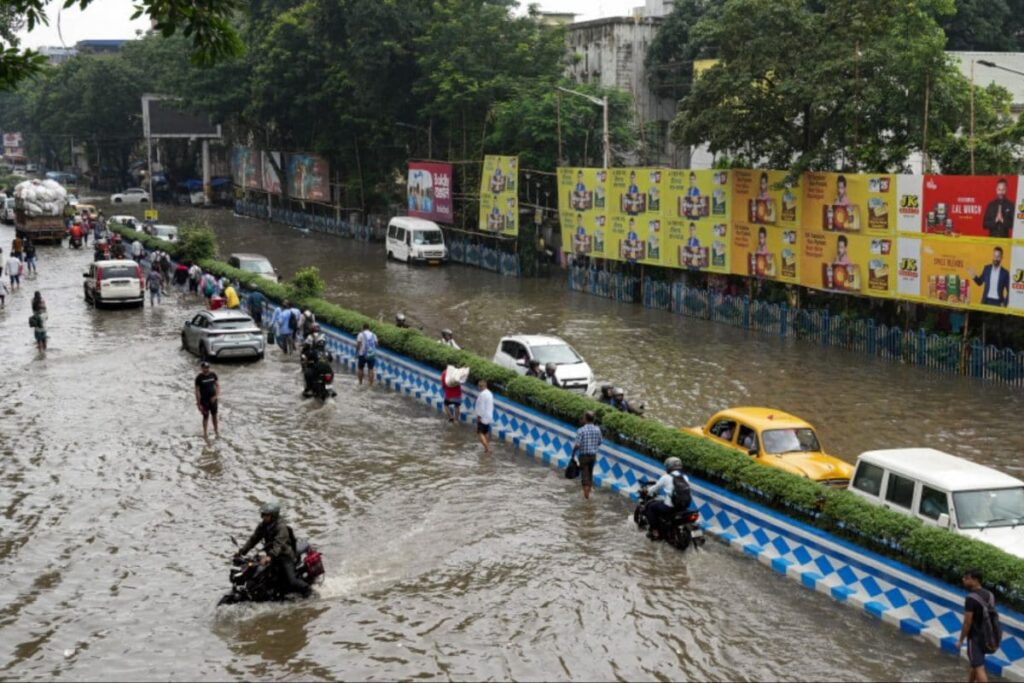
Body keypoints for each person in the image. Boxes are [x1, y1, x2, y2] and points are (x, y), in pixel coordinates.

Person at [236, 502, 311, 599]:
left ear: (273, 516)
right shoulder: (263, 525)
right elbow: (253, 539)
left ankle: (309, 592)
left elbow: (278, 545)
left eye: (266, 515)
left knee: (292, 580)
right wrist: (242, 552)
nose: (263, 517)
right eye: (263, 515)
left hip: (284, 556)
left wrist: (269, 557)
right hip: (272, 555)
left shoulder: (281, 528)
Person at [957, 568, 994, 683]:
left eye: (966, 578)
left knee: (979, 667)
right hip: (988, 636)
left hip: (975, 637)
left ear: (975, 580)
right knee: (976, 663)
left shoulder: (970, 598)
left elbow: (967, 622)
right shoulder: (990, 595)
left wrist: (960, 640)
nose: (963, 580)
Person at [643, 457, 692, 541]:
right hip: (683, 506)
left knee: (651, 507)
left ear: (669, 466)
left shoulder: (666, 477)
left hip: (670, 507)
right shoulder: (685, 477)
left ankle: (655, 531)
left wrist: (646, 491)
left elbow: (655, 487)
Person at [571, 411, 602, 500]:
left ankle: (586, 498)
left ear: (585, 419)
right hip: (593, 456)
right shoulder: (598, 429)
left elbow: (577, 445)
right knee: (590, 474)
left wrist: (573, 454)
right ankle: (588, 493)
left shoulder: (581, 430)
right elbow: (599, 442)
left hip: (583, 456)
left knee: (584, 477)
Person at [194, 361, 220, 438]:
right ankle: (205, 433)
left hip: (213, 399)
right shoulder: (199, 378)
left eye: (207, 367)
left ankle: (216, 430)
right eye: (204, 368)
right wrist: (198, 404)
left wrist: (216, 396)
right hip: (204, 400)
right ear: (201, 368)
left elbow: (218, 386)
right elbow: (197, 391)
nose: (206, 369)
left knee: (214, 415)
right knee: (206, 416)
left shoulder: (213, 375)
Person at [474, 379, 494, 454]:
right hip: (489, 416)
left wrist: (479, 416)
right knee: (485, 432)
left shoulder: (482, 394)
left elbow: (481, 407)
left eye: (480, 386)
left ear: (484, 386)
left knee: (480, 433)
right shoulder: (490, 393)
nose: (479, 387)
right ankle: (487, 446)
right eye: (479, 386)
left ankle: (487, 449)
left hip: (483, 416)